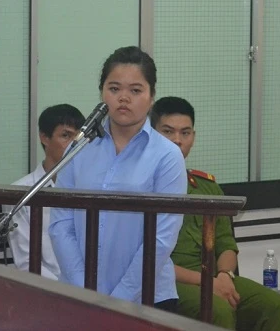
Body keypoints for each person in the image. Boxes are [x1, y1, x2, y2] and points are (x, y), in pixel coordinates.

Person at [49, 46, 187, 311]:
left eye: (135, 90)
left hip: (147, 298)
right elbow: (61, 224)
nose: (123, 98)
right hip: (79, 296)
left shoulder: (167, 156)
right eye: (114, 89)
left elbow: (161, 239)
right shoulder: (78, 148)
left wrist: (117, 301)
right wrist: (84, 289)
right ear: (102, 93)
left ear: (151, 97)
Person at [151, 96, 280, 331]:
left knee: (278, 307)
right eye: (168, 132)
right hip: (168, 282)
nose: (177, 140)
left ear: (193, 137)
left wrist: (225, 275)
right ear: (152, 134)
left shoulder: (206, 187)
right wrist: (208, 283)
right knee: (217, 310)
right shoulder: (143, 188)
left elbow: (225, 243)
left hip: (214, 277)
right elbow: (149, 260)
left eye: (185, 133)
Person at [8, 104, 85, 279]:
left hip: (92, 288)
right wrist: (70, 290)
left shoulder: (91, 187)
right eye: (66, 135)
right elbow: (26, 263)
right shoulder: (21, 193)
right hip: (46, 289)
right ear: (44, 137)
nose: (75, 144)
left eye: (79, 137)